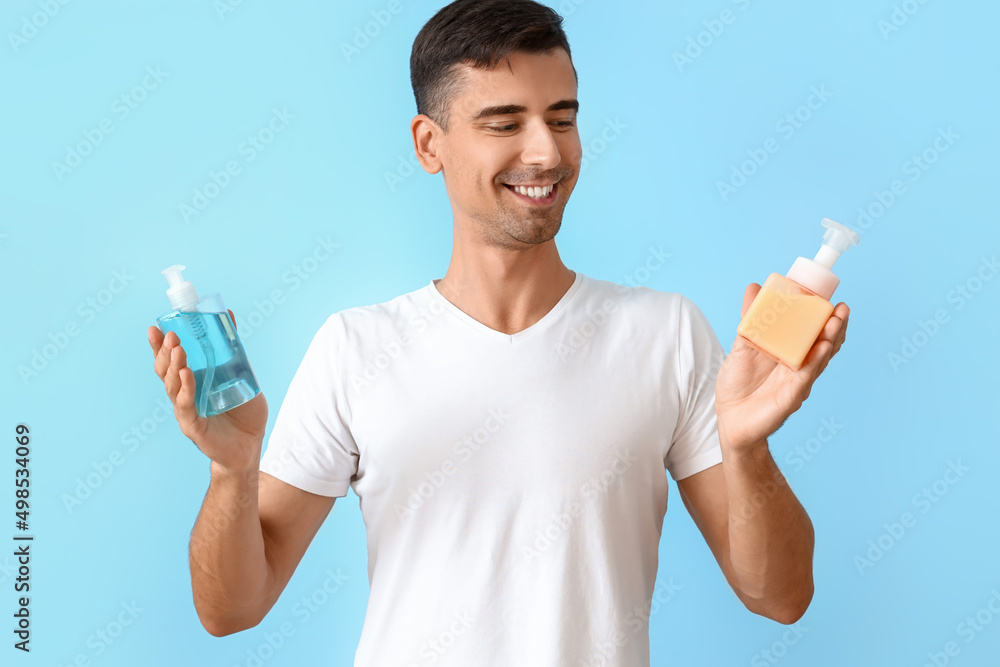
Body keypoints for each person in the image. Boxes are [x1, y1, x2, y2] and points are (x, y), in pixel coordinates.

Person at [146, 1, 849, 664]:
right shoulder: (354, 347)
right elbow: (230, 608)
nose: (545, 152)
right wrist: (230, 473)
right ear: (430, 143)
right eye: (505, 123)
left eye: (562, 118)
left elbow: (780, 596)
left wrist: (748, 449)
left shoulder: (666, 333)